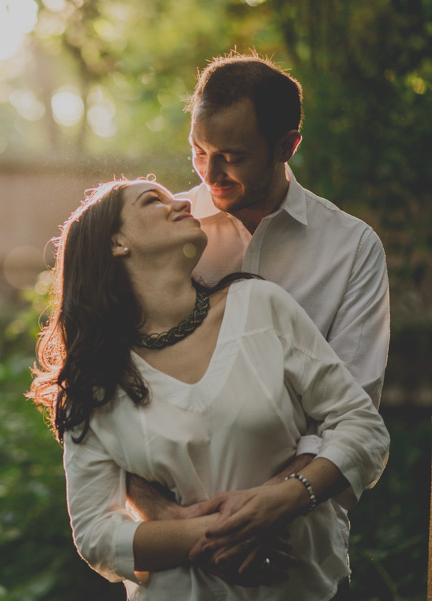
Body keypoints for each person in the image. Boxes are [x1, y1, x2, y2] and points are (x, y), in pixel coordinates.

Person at [28, 176, 389, 599]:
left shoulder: (260, 306)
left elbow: (362, 426)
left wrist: (287, 500)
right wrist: (206, 537)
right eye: (152, 200)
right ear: (116, 243)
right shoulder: (95, 380)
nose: (182, 203)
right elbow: (95, 534)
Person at [124, 52, 391, 587]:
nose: (209, 173)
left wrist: (270, 505)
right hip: (177, 564)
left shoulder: (351, 249)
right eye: (199, 151)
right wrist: (177, 521)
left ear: (287, 146)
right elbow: (100, 391)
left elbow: (354, 414)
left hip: (297, 558)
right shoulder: (161, 234)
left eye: (233, 156)